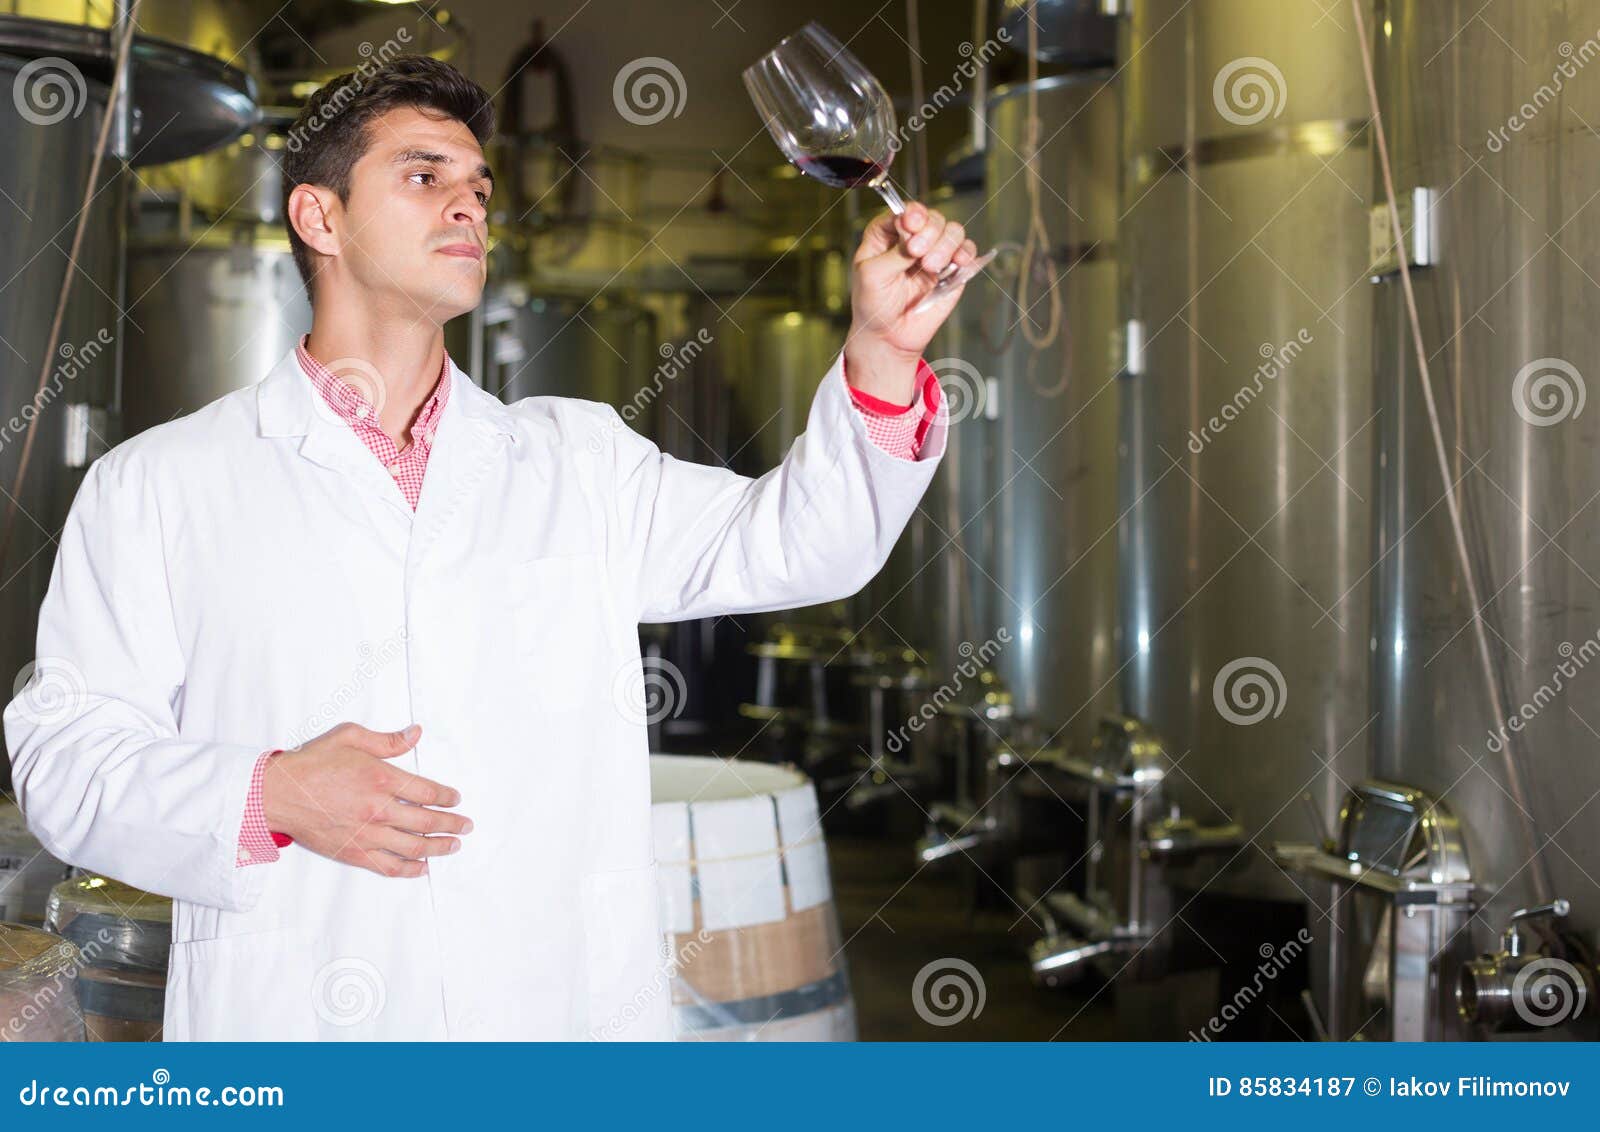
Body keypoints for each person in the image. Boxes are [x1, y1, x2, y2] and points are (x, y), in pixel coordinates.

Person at [3, 55, 975, 1041]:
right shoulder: (160, 485)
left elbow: (804, 544)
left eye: (478, 186)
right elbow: (65, 761)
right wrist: (270, 791)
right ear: (319, 218)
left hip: (554, 1019)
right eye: (424, 177)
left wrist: (884, 354)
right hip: (302, 1023)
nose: (470, 206)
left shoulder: (579, 460)